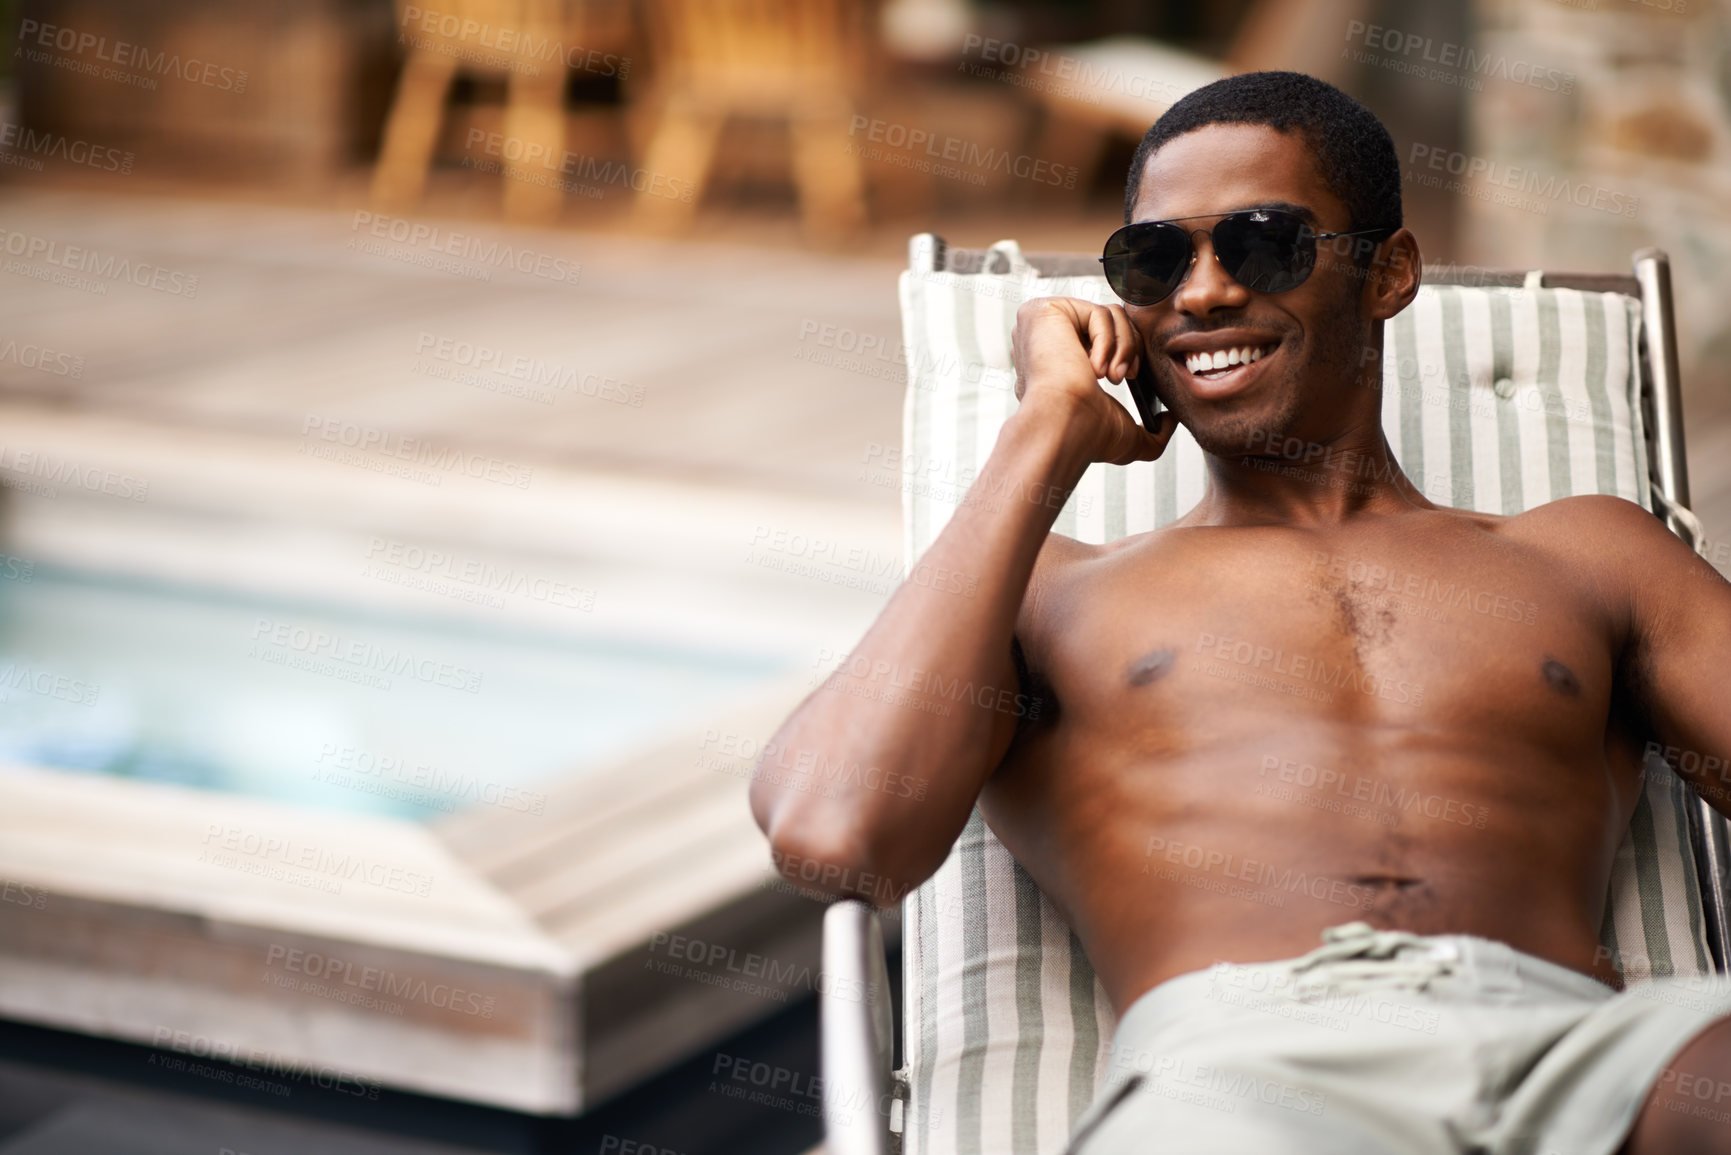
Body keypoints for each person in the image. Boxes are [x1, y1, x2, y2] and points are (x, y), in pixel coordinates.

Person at [750, 71, 1731, 1154]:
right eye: (1155, 260)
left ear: (1390, 273)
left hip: (1589, 1053)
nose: (1204, 292)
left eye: (1264, 243)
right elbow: (837, 835)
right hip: (1248, 1076)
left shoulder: (1587, 553)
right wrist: (1043, 433)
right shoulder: (1050, 592)